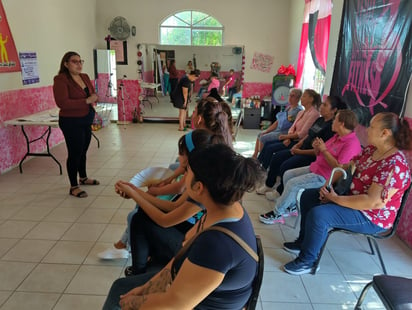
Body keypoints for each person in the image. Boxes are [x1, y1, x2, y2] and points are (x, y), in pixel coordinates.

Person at [103, 143, 265, 310]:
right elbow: (180, 256)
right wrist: (144, 289)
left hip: (199, 304)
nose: (183, 177)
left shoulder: (216, 244)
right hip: (195, 294)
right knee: (121, 288)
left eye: (187, 173)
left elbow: (174, 305)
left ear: (199, 187)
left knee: (118, 297)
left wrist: (133, 303)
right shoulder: (227, 208)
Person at [283, 112, 411, 275]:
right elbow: (346, 169)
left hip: (371, 216)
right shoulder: (371, 150)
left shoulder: (393, 165)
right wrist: (330, 188)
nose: (366, 130)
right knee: (309, 196)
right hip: (351, 200)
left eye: (371, 127)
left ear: (385, 133)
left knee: (320, 215)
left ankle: (308, 261)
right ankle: (303, 242)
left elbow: (372, 202)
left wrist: (336, 199)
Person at [114, 130, 224, 276]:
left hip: (193, 250)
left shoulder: (202, 186)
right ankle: (144, 265)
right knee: (142, 214)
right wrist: (134, 190)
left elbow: (165, 221)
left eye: (181, 153)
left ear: (191, 156)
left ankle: (139, 272)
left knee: (139, 219)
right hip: (191, 233)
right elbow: (175, 206)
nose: (179, 158)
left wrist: (134, 194)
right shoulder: (203, 174)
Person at [259, 109, 362, 224]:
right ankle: (292, 206)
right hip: (316, 167)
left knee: (293, 184)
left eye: (335, 120)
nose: (333, 122)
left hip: (325, 177)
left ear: (342, 123)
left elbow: (339, 168)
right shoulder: (337, 136)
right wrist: (318, 149)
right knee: (288, 174)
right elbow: (321, 152)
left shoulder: (351, 143)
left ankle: (277, 213)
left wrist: (324, 150)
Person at [257, 96, 347, 199]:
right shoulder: (320, 119)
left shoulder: (331, 128)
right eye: (322, 104)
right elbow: (309, 134)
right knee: (277, 156)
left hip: (310, 155)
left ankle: (280, 191)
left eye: (325, 105)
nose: (321, 106)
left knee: (285, 166)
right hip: (301, 147)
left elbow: (319, 151)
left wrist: (299, 151)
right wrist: (298, 144)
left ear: (334, 110)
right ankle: (269, 184)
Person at [53, 51, 99, 198]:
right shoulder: (61, 79)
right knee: (75, 153)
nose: (79, 64)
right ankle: (73, 186)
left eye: (80, 61)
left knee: (83, 150)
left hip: (86, 118)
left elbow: (92, 93)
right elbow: (62, 103)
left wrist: (94, 97)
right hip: (71, 121)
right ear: (66, 64)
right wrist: (86, 101)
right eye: (74, 61)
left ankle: (83, 177)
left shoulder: (84, 77)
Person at [257, 89, 321, 169]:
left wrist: (287, 137)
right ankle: (258, 166)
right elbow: (292, 127)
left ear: (311, 99)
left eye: (304, 96)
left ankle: (262, 169)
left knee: (270, 148)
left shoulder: (314, 114)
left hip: (298, 141)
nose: (301, 98)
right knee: (267, 144)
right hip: (290, 138)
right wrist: (288, 137)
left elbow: (303, 133)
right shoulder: (301, 112)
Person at [252, 88, 303, 158]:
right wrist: (267, 130)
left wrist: (288, 138)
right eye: (289, 95)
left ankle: (261, 158)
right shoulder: (288, 108)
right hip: (278, 130)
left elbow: (294, 126)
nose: (290, 98)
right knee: (260, 134)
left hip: (284, 133)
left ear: (298, 98)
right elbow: (278, 121)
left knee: (263, 138)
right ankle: (255, 155)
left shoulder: (298, 111)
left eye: (293, 96)